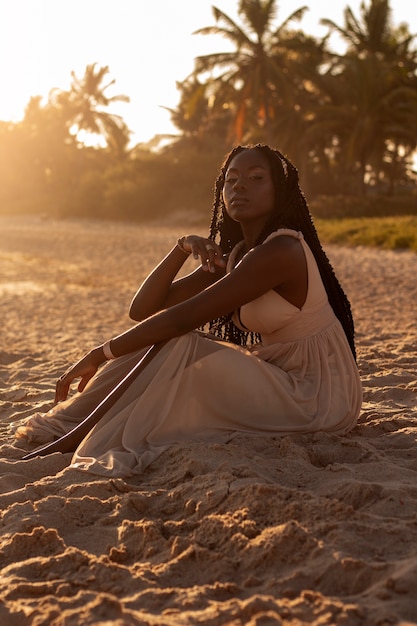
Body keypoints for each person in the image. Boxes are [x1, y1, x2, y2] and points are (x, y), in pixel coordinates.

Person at [16, 144, 362, 476]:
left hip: (317, 396)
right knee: (160, 340)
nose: (240, 186)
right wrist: (181, 248)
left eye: (256, 178)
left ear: (280, 189)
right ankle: (79, 421)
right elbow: (144, 310)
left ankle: (74, 438)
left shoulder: (281, 251)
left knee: (179, 340)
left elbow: (181, 319)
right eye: (231, 179)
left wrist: (100, 353)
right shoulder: (237, 256)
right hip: (281, 377)